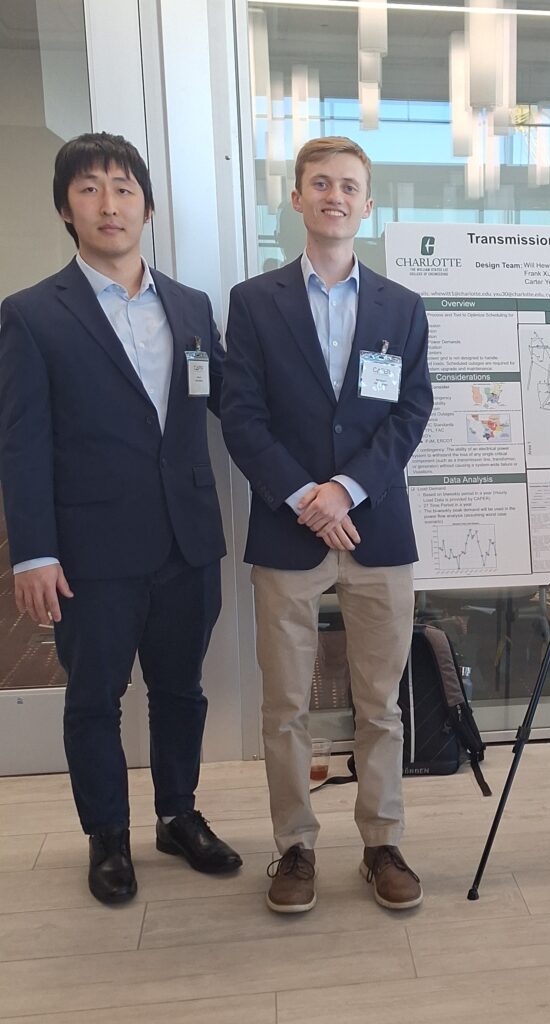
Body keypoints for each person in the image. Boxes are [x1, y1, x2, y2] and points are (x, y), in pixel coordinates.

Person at [0, 133, 241, 905]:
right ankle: (107, 835)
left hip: (186, 540)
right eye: (90, 189)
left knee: (181, 690)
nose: (110, 204)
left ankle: (177, 815)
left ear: (147, 207)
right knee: (93, 700)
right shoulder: (31, 315)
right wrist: (33, 552)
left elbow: (230, 406)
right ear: (66, 210)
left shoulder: (191, 305)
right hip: (91, 549)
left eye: (124, 188)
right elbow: (22, 441)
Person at [221, 136, 433, 914]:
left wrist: (344, 490)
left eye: (348, 185)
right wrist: (304, 496)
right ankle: (295, 848)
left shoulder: (401, 308)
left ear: (366, 205)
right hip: (287, 535)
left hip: (377, 531)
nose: (333, 196)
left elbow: (410, 412)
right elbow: (240, 416)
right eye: (319, 183)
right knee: (286, 706)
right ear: (297, 198)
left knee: (380, 703)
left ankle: (381, 843)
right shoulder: (254, 302)